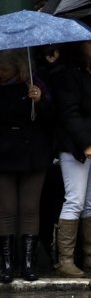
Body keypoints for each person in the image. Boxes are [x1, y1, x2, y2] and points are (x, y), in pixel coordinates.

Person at [49, 37, 91, 277]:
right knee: (75, 200)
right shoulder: (69, 75)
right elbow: (69, 113)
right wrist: (85, 143)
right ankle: (65, 259)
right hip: (80, 147)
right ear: (78, 47)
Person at [0, 50, 55, 283]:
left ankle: (29, 263)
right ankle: (7, 264)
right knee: (7, 209)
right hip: (3, 154)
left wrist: (40, 101)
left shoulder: (35, 84)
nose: (0, 73)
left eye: (3, 68)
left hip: (33, 152)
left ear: (17, 67)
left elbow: (51, 119)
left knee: (30, 208)